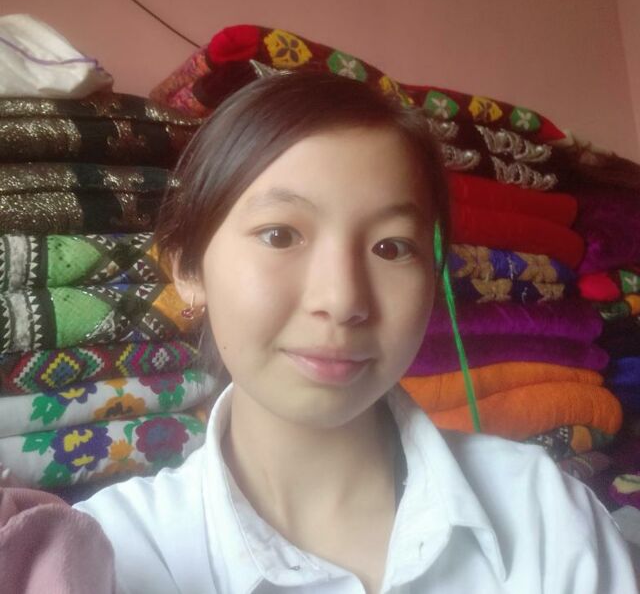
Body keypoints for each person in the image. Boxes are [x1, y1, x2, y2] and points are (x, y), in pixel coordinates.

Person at [75, 71, 638, 593]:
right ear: (187, 267)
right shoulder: (107, 555)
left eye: (391, 248)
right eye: (280, 235)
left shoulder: (545, 516)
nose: (343, 301)